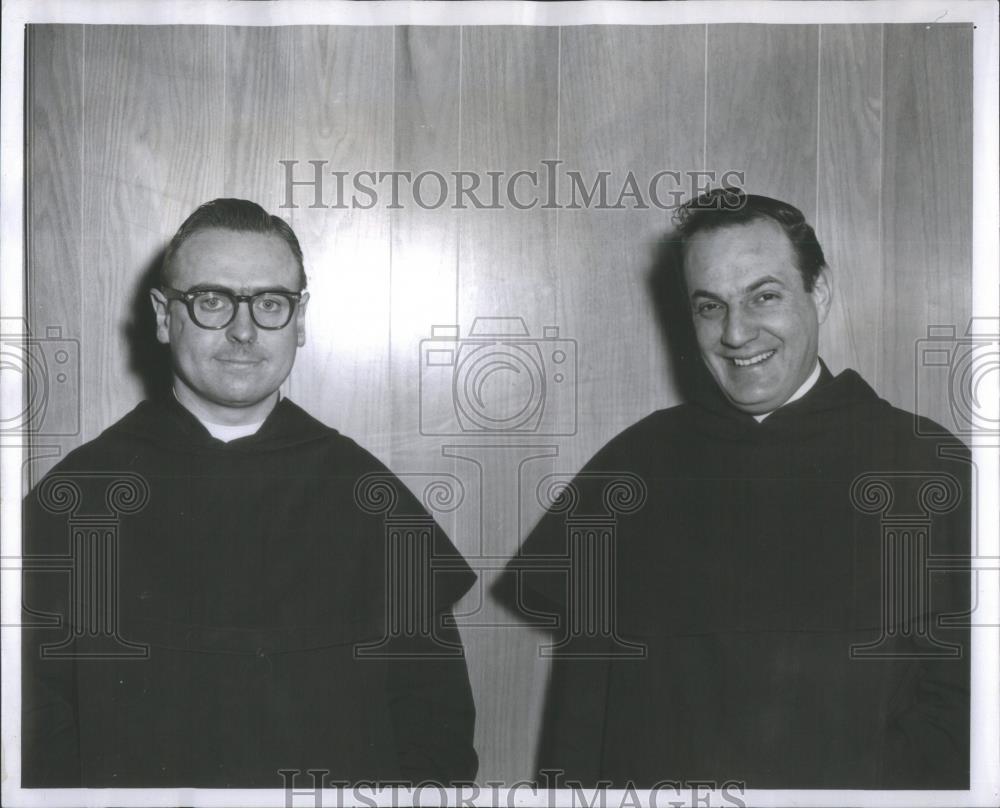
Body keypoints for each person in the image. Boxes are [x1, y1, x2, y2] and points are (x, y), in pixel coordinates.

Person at [510, 189, 970, 789]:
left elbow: (962, 713)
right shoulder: (633, 469)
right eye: (710, 307)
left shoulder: (926, 468)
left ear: (820, 292)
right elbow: (581, 716)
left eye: (765, 297)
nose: (736, 333)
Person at [22, 199, 478, 787]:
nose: (243, 331)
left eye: (270, 303)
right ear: (164, 316)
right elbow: (33, 732)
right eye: (211, 301)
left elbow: (435, 736)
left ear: (300, 319)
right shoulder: (76, 499)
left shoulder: (371, 500)